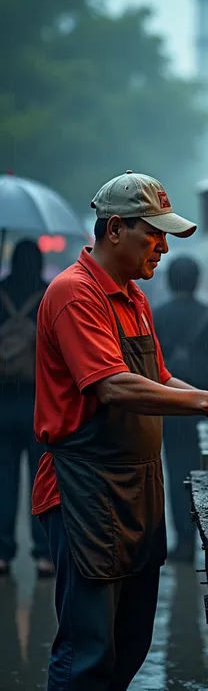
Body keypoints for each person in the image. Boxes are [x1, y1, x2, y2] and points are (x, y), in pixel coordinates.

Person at [32, 171, 208, 691]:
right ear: (115, 229)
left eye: (166, 237)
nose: (162, 247)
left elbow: (155, 377)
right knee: (87, 652)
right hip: (84, 491)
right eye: (153, 234)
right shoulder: (75, 294)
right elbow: (112, 387)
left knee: (130, 644)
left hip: (136, 489)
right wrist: (205, 401)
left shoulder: (133, 298)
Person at [153, 256, 208, 562]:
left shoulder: (156, 315)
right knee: (201, 470)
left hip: (168, 400)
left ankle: (181, 539)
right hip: (200, 402)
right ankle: (203, 535)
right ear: (197, 280)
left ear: (170, 281)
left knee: (174, 468)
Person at [0, 240, 53, 578]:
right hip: (40, 402)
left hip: (2, 400)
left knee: (3, 479)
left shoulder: (0, 292)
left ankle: (2, 553)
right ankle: (44, 554)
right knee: (42, 481)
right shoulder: (50, 295)